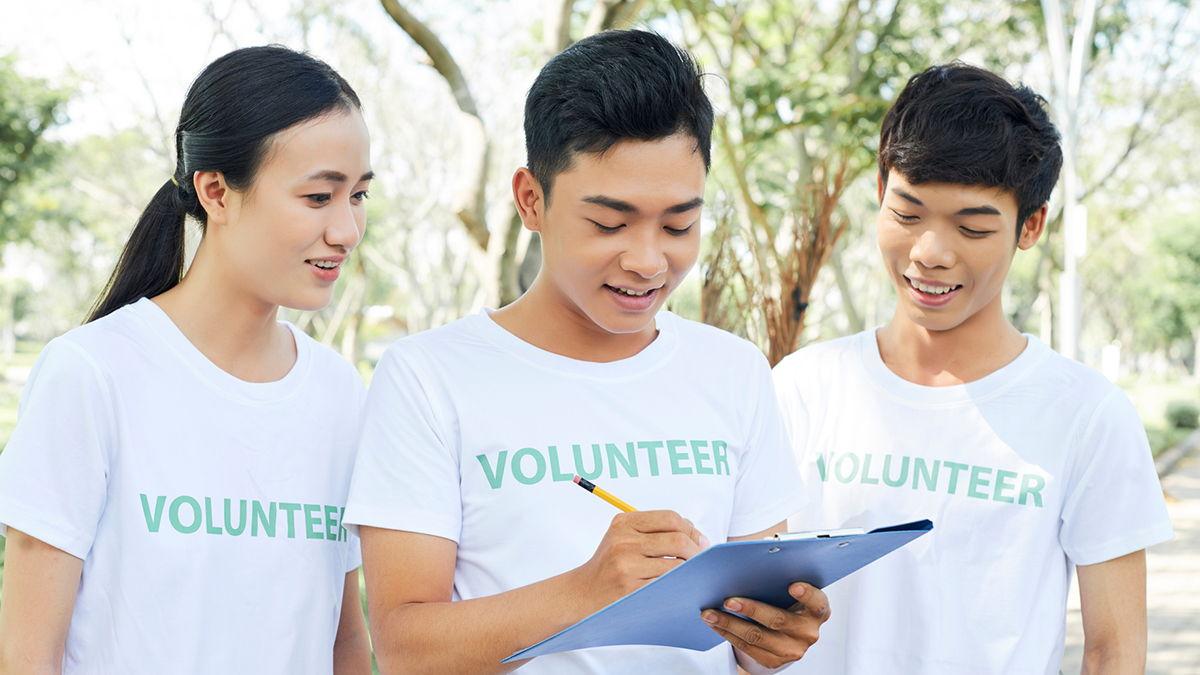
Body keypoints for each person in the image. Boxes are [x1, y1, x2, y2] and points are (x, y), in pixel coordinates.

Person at [343, 30, 828, 674]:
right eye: (609, 224)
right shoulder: (429, 377)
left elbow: (752, 640)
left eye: (679, 224)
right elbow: (405, 651)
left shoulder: (733, 372)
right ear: (531, 200)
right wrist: (585, 592)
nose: (648, 260)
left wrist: (774, 640)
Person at [774, 62, 1173, 673]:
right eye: (907, 215)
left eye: (973, 227)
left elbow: (1113, 651)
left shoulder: (1087, 415)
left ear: (1030, 226)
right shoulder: (803, 388)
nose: (930, 253)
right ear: (880, 190)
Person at [0, 45, 373, 674]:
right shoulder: (91, 376)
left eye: (358, 195)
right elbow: (28, 655)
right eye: (318, 197)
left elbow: (343, 642)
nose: (347, 231)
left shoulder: (338, 392)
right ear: (216, 191)